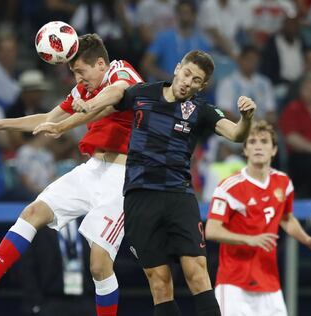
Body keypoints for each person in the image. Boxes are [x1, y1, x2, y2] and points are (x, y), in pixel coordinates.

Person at [0, 33, 143, 316]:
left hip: (121, 178)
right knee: (33, 212)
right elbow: (47, 119)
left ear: (101, 63)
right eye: (73, 73)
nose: (77, 79)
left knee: (99, 265)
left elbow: (117, 94)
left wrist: (81, 112)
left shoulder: (118, 70)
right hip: (91, 170)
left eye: (80, 72)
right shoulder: (83, 91)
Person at [65, 49, 257, 316]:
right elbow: (116, 95)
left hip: (178, 197)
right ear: (178, 68)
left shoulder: (202, 110)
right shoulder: (142, 93)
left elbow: (236, 135)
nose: (188, 82)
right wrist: (87, 105)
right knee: (159, 283)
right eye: (187, 73)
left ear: (203, 86)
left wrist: (246, 118)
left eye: (196, 80)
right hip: (139, 198)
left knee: (197, 275)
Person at [205, 120, 311, 316]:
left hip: (269, 284)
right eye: (252, 142)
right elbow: (211, 230)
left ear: (274, 150)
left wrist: (306, 239)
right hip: (234, 284)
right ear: (245, 150)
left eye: (264, 142)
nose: (258, 147)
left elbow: (286, 218)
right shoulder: (229, 186)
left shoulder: (283, 182)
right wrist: (249, 239)